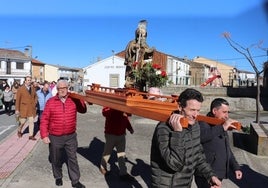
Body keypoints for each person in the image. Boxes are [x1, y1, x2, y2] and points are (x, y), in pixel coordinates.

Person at [150, 88, 222, 188]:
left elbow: (198, 155)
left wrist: (210, 176)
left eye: (198, 110)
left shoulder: (194, 125)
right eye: (192, 110)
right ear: (180, 107)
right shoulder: (164, 128)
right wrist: (177, 133)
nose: (196, 115)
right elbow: (174, 164)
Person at [40, 79, 87, 188]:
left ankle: (75, 181)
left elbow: (83, 110)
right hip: (55, 136)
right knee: (56, 158)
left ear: (68, 88)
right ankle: (58, 177)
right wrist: (44, 135)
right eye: (60, 88)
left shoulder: (73, 100)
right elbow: (44, 119)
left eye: (64, 88)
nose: (62, 90)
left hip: (70, 136)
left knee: (72, 158)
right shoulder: (51, 102)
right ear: (57, 89)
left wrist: (81, 99)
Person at [194, 98, 243, 188]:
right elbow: (201, 137)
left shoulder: (221, 124)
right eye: (224, 112)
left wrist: (235, 167)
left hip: (218, 173)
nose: (226, 116)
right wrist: (222, 127)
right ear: (214, 111)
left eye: (228, 112)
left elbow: (226, 149)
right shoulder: (203, 123)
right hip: (205, 174)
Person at [99, 107, 135, 181]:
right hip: (110, 134)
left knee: (121, 155)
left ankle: (123, 173)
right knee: (107, 152)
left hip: (121, 135)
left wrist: (130, 128)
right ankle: (103, 167)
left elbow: (126, 118)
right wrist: (115, 108)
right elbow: (104, 113)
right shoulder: (111, 103)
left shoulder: (125, 106)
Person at [124, 20, 154, 89]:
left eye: (144, 35)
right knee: (132, 75)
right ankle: (130, 85)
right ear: (137, 35)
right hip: (134, 62)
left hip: (141, 64)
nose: (143, 37)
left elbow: (147, 53)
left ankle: (140, 87)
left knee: (141, 78)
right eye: (142, 35)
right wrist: (135, 47)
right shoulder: (133, 42)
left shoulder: (145, 44)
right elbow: (128, 49)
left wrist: (151, 51)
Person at [15, 76, 38, 140]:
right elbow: (18, 100)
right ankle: (19, 130)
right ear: (25, 81)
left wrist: (35, 102)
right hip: (23, 108)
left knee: (31, 122)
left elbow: (36, 96)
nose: (29, 81)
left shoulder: (33, 88)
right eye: (28, 80)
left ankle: (31, 135)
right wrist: (17, 109)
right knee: (22, 122)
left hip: (31, 108)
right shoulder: (20, 89)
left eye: (30, 80)